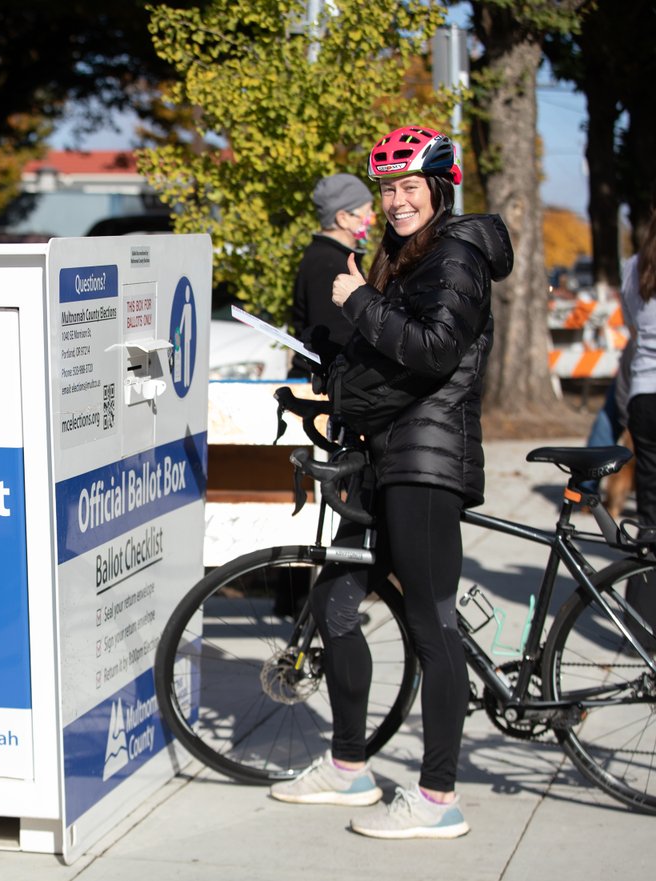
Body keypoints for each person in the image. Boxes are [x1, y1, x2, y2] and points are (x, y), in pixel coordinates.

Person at [268, 125, 513, 839]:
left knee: (433, 628)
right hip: (384, 455)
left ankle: (439, 798)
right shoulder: (407, 254)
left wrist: (356, 301)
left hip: (427, 461)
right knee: (336, 601)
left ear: (438, 188)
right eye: (389, 190)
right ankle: (350, 766)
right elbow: (387, 350)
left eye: (410, 188)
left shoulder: (457, 253)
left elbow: (436, 352)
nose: (398, 202)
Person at [289, 173, 376, 374]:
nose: (372, 219)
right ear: (343, 218)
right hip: (319, 384)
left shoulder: (330, 256)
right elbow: (336, 336)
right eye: (367, 211)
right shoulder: (329, 263)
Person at [619, 213, 656, 643]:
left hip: (645, 397)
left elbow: (634, 331)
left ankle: (641, 628)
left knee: (650, 512)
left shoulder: (634, 267)